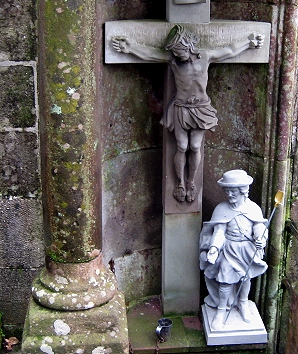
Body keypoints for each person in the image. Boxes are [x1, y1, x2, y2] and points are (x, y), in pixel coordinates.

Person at [112, 26, 264, 203]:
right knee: (182, 146)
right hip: (181, 108)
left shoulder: (206, 57)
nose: (178, 55)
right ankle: (180, 183)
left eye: (180, 51)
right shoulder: (174, 61)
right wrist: (130, 47)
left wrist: (249, 42)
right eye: (175, 52)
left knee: (195, 146)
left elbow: (229, 51)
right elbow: (150, 54)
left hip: (200, 109)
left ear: (190, 47)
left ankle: (191, 181)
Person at [199, 169, 268, 330]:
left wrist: (260, 239)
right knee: (225, 281)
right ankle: (221, 311)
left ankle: (243, 304)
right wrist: (214, 248)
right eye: (227, 192)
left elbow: (259, 226)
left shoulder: (253, 209)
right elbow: (219, 231)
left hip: (246, 250)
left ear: (243, 191)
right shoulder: (221, 209)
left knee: (245, 279)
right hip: (229, 249)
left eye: (233, 192)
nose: (230, 195)